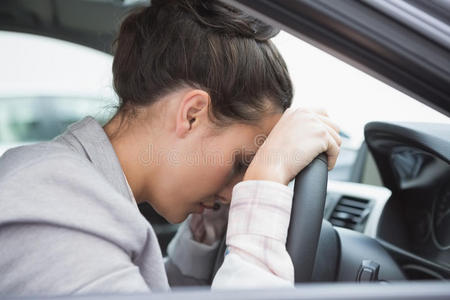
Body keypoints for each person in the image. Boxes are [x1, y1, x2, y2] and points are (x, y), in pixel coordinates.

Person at [0, 0, 341, 296]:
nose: (237, 191)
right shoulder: (56, 210)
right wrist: (266, 185)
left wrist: (204, 239)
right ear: (192, 115)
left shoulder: (75, 196)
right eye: (243, 162)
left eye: (250, 169)